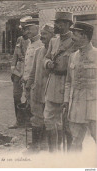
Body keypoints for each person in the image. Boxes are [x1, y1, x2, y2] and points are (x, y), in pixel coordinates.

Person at [44, 11, 75, 152]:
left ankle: (69, 155)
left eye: (60, 22)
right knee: (49, 119)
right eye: (56, 22)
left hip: (68, 84)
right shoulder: (53, 41)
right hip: (53, 84)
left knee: (68, 122)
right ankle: (53, 153)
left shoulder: (75, 42)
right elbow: (45, 58)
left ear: (68, 24)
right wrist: (48, 63)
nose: (56, 25)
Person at [63, 22, 96, 152]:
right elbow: (68, 82)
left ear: (84, 35)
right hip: (76, 105)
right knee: (75, 140)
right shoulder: (73, 57)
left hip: (94, 107)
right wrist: (66, 101)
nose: (72, 37)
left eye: (75, 34)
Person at [25, 24, 55, 152]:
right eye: (41, 34)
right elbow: (32, 72)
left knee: (50, 120)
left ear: (53, 37)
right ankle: (35, 145)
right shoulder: (38, 51)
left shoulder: (56, 53)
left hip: (51, 93)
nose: (42, 37)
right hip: (37, 91)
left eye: (45, 34)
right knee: (36, 118)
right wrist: (27, 88)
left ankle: (48, 146)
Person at [9, 16, 32, 129]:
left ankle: (29, 121)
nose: (22, 31)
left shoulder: (34, 41)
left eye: (24, 28)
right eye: (21, 28)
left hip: (29, 70)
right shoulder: (19, 39)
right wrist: (13, 70)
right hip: (18, 70)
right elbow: (15, 55)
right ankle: (19, 121)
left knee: (30, 96)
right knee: (16, 96)